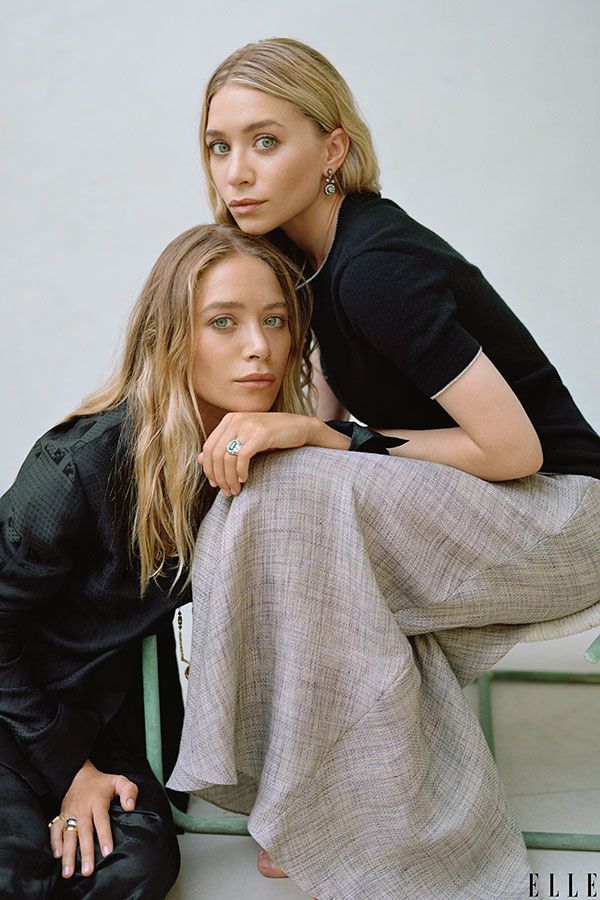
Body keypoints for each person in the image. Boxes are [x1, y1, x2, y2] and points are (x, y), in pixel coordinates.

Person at [165, 38, 600, 900]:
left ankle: (336, 805)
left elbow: (517, 450)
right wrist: (292, 437)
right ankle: (316, 794)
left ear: (332, 149)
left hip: (560, 517)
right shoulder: (307, 259)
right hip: (476, 502)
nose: (236, 173)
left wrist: (338, 445)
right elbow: (324, 413)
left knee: (296, 491)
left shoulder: (374, 269)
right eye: (220, 147)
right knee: (278, 490)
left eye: (265, 141)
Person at [0, 221, 354, 899]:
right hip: (17, 709)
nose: (260, 349)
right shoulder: (80, 464)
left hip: (109, 723)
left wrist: (311, 429)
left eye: (275, 320)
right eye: (224, 322)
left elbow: (386, 461)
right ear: (170, 338)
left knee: (134, 874)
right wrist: (69, 771)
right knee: (15, 872)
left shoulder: (260, 460)